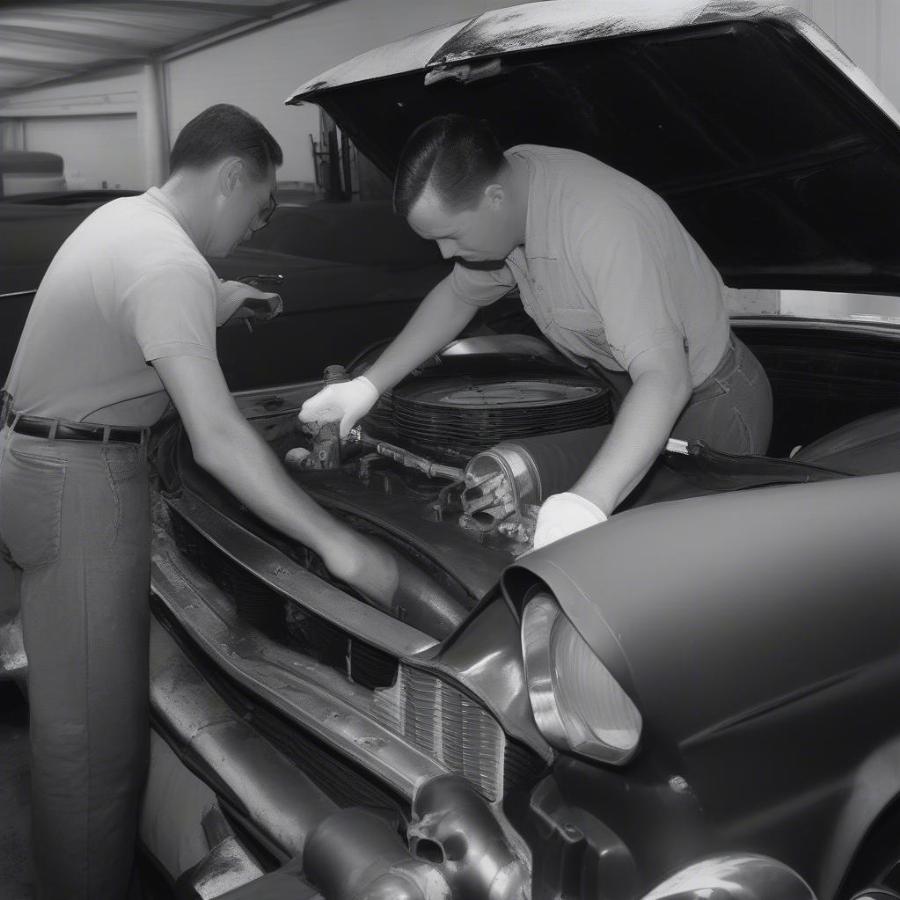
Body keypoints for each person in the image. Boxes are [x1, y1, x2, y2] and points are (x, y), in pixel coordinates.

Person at [0, 103, 443, 900]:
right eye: (261, 206)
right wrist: (340, 544)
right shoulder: (166, 264)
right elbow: (219, 439)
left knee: (88, 716)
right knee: (96, 747)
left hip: (47, 463)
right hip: (80, 491)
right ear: (232, 177)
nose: (255, 223)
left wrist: (226, 297)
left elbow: (145, 302)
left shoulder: (130, 220)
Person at [299, 114, 773, 551]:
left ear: (494, 199)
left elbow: (665, 379)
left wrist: (589, 502)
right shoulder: (514, 192)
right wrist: (366, 386)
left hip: (710, 406)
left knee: (676, 562)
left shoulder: (600, 227)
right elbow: (459, 295)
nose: (446, 253)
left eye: (453, 235)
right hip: (635, 397)